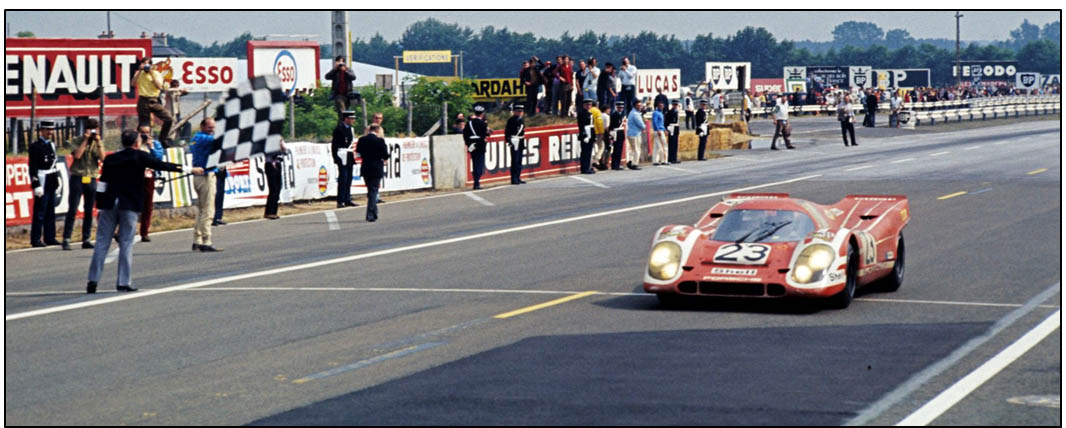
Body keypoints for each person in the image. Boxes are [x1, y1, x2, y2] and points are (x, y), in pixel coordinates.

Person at [86, 130, 192, 294]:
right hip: (129, 204)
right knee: (126, 243)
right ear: (136, 143)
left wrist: (99, 204)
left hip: (109, 203)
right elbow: (161, 165)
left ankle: (93, 280)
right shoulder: (140, 156)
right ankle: (123, 281)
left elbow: (103, 183)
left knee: (102, 242)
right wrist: (186, 168)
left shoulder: (111, 158)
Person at [62, 119, 105, 250]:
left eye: (95, 129)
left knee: (89, 210)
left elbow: (103, 158)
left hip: (91, 177)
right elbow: (78, 156)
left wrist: (98, 143)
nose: (92, 132)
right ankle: (67, 238)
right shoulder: (77, 140)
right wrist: (85, 141)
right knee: (73, 209)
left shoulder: (98, 142)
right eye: (90, 129)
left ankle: (86, 238)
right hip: (77, 177)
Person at [189, 118, 222, 252]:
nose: (212, 130)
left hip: (199, 176)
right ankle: (206, 240)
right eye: (209, 128)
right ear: (202, 126)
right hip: (205, 176)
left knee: (202, 210)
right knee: (208, 210)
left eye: (213, 128)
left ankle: (197, 239)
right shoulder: (204, 138)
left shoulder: (196, 137)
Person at [28, 120, 62, 247]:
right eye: (47, 130)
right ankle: (36, 239)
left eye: (51, 130)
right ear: (41, 130)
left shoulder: (51, 145)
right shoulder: (35, 146)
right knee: (40, 211)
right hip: (42, 179)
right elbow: (33, 167)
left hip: (51, 180)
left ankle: (50, 237)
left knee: (50, 211)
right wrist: (36, 184)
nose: (50, 132)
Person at [132, 57, 174, 146]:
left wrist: (151, 73)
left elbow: (159, 86)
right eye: (144, 64)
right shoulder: (139, 73)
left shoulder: (156, 73)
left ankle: (162, 139)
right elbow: (133, 83)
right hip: (143, 100)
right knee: (144, 126)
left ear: (151, 65)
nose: (145, 67)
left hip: (154, 100)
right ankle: (141, 143)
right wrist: (139, 71)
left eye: (147, 65)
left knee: (169, 119)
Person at [356, 124, 390, 222]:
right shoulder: (380, 141)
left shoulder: (361, 140)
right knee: (373, 190)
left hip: (366, 167)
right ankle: (370, 213)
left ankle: (374, 212)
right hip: (376, 167)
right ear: (378, 131)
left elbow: (358, 152)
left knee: (370, 190)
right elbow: (385, 155)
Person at [136, 124, 164, 242]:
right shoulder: (134, 142)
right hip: (135, 175)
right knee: (130, 204)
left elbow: (159, 158)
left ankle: (144, 232)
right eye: (142, 132)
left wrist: (151, 146)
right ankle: (121, 229)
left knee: (147, 205)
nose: (145, 135)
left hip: (149, 175)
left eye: (147, 132)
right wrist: (137, 143)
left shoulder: (154, 143)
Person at [332, 111, 357, 208]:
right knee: (343, 178)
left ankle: (347, 198)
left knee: (349, 178)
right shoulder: (339, 129)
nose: (353, 120)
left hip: (349, 155)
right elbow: (334, 145)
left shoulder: (351, 129)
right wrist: (336, 157)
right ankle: (340, 200)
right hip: (341, 155)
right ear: (346, 119)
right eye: (351, 118)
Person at [464, 105, 491, 189]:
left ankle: (475, 182)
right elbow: (483, 136)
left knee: (474, 164)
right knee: (479, 164)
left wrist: (469, 144)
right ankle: (477, 182)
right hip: (480, 145)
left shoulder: (469, 123)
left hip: (471, 144)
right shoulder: (483, 123)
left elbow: (465, 135)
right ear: (482, 114)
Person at [324, 56, 357, 120]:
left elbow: (353, 77)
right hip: (338, 94)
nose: (340, 64)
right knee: (342, 111)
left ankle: (344, 125)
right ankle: (343, 124)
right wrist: (335, 69)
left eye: (341, 62)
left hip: (348, 94)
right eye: (338, 62)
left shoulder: (348, 70)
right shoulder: (335, 71)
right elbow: (327, 77)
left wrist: (345, 71)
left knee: (346, 112)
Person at [264, 139, 287, 220]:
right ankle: (269, 212)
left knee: (278, 188)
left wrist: (281, 144)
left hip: (277, 163)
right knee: (273, 189)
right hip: (270, 163)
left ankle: (274, 211)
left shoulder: (279, 139)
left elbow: (285, 149)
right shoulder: (268, 139)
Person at [505, 104, 527, 185]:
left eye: (521, 111)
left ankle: (518, 177)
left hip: (520, 141)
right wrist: (509, 141)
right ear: (514, 112)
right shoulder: (511, 120)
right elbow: (507, 132)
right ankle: (514, 178)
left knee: (519, 160)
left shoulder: (521, 120)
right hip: (514, 140)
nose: (520, 113)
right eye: (518, 111)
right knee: (515, 160)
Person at [625, 100, 645, 170]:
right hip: (635, 133)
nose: (640, 107)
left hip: (631, 133)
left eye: (640, 105)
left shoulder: (632, 112)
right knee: (637, 149)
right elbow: (640, 123)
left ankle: (630, 161)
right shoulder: (635, 114)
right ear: (635, 106)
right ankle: (634, 164)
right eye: (638, 105)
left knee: (633, 149)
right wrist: (643, 127)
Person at [577, 99, 595, 174]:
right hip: (585, 134)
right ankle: (584, 168)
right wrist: (584, 135)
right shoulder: (582, 114)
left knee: (589, 152)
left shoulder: (589, 113)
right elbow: (581, 125)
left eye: (590, 105)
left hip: (590, 133)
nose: (588, 106)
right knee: (585, 152)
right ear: (584, 105)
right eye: (587, 105)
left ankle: (587, 167)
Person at [608, 100, 627, 170]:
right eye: (619, 107)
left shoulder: (621, 115)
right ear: (616, 107)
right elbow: (613, 125)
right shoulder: (614, 115)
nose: (620, 109)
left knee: (619, 150)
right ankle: (615, 165)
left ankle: (617, 164)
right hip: (616, 132)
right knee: (616, 149)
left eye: (621, 108)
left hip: (620, 133)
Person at [651, 101, 667, 166]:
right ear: (657, 106)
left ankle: (655, 161)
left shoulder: (661, 113)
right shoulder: (656, 113)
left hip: (661, 129)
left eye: (662, 105)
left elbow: (662, 123)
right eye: (660, 106)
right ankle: (664, 160)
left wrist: (665, 129)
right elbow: (654, 122)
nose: (661, 107)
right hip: (658, 131)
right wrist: (658, 130)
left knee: (656, 147)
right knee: (663, 145)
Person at [666, 99, 681, 164]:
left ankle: (674, 157)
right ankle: (671, 158)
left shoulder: (677, 112)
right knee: (671, 143)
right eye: (674, 104)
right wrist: (667, 129)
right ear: (672, 105)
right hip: (671, 127)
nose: (675, 106)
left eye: (676, 105)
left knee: (675, 143)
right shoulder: (670, 112)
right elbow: (667, 121)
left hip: (676, 128)